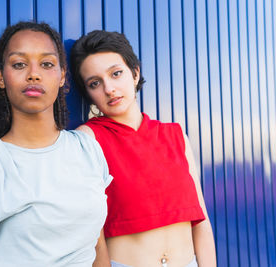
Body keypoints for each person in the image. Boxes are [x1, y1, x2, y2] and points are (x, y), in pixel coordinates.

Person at [0, 22, 112, 267]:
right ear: (1, 78)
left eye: (47, 64)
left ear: (61, 76)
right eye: (19, 64)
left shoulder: (86, 149)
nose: (33, 74)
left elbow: (96, 242)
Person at [70, 30, 217, 267]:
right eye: (95, 83)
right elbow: (92, 236)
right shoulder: (87, 139)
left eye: (116, 73)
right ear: (88, 93)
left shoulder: (176, 135)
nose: (109, 89)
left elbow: (200, 222)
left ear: (135, 73)